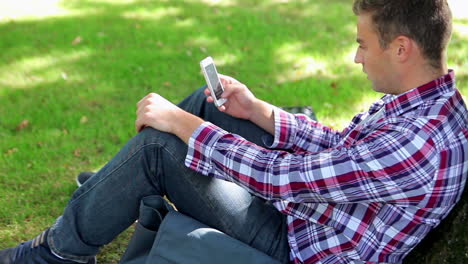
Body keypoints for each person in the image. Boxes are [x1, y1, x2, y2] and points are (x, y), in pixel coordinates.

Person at [1, 0, 466, 263]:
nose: (357, 58)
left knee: (159, 147)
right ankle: (109, 192)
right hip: (314, 212)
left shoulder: (418, 144)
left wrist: (185, 126)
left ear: (401, 48)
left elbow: (281, 178)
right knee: (207, 103)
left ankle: (54, 255)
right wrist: (260, 111)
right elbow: (341, 149)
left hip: (301, 244)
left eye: (363, 45)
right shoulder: (425, 101)